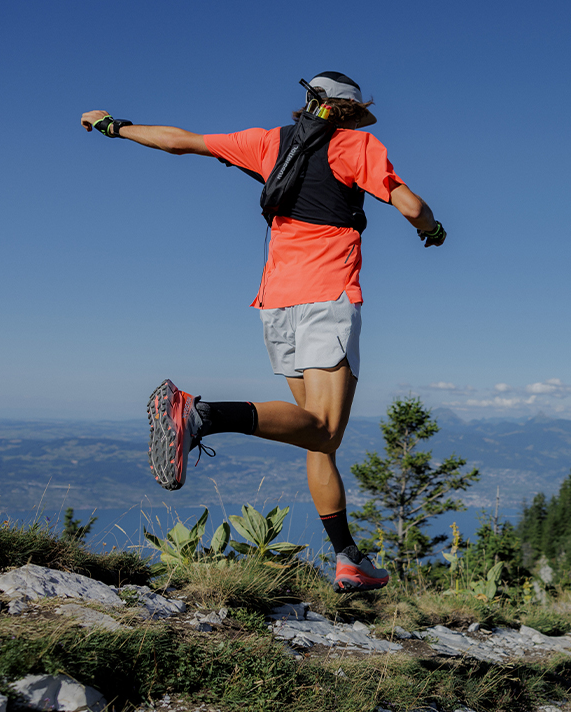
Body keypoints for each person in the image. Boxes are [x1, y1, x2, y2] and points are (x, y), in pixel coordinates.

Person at [80, 71, 447, 592]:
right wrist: (431, 229)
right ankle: (199, 414)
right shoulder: (356, 144)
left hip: (275, 303)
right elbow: (412, 206)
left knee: (317, 440)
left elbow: (179, 142)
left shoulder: (267, 143)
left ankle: (348, 559)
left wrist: (114, 126)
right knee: (323, 429)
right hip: (326, 298)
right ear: (347, 110)